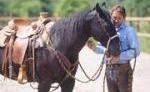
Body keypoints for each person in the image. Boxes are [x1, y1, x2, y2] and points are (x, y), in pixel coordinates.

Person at [87, 5, 140, 92]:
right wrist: (94, 48)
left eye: (119, 18)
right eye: (114, 17)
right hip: (109, 70)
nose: (116, 20)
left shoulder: (129, 31)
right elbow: (104, 49)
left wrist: (119, 57)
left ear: (124, 18)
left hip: (123, 71)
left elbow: (136, 51)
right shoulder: (108, 31)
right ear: (110, 16)